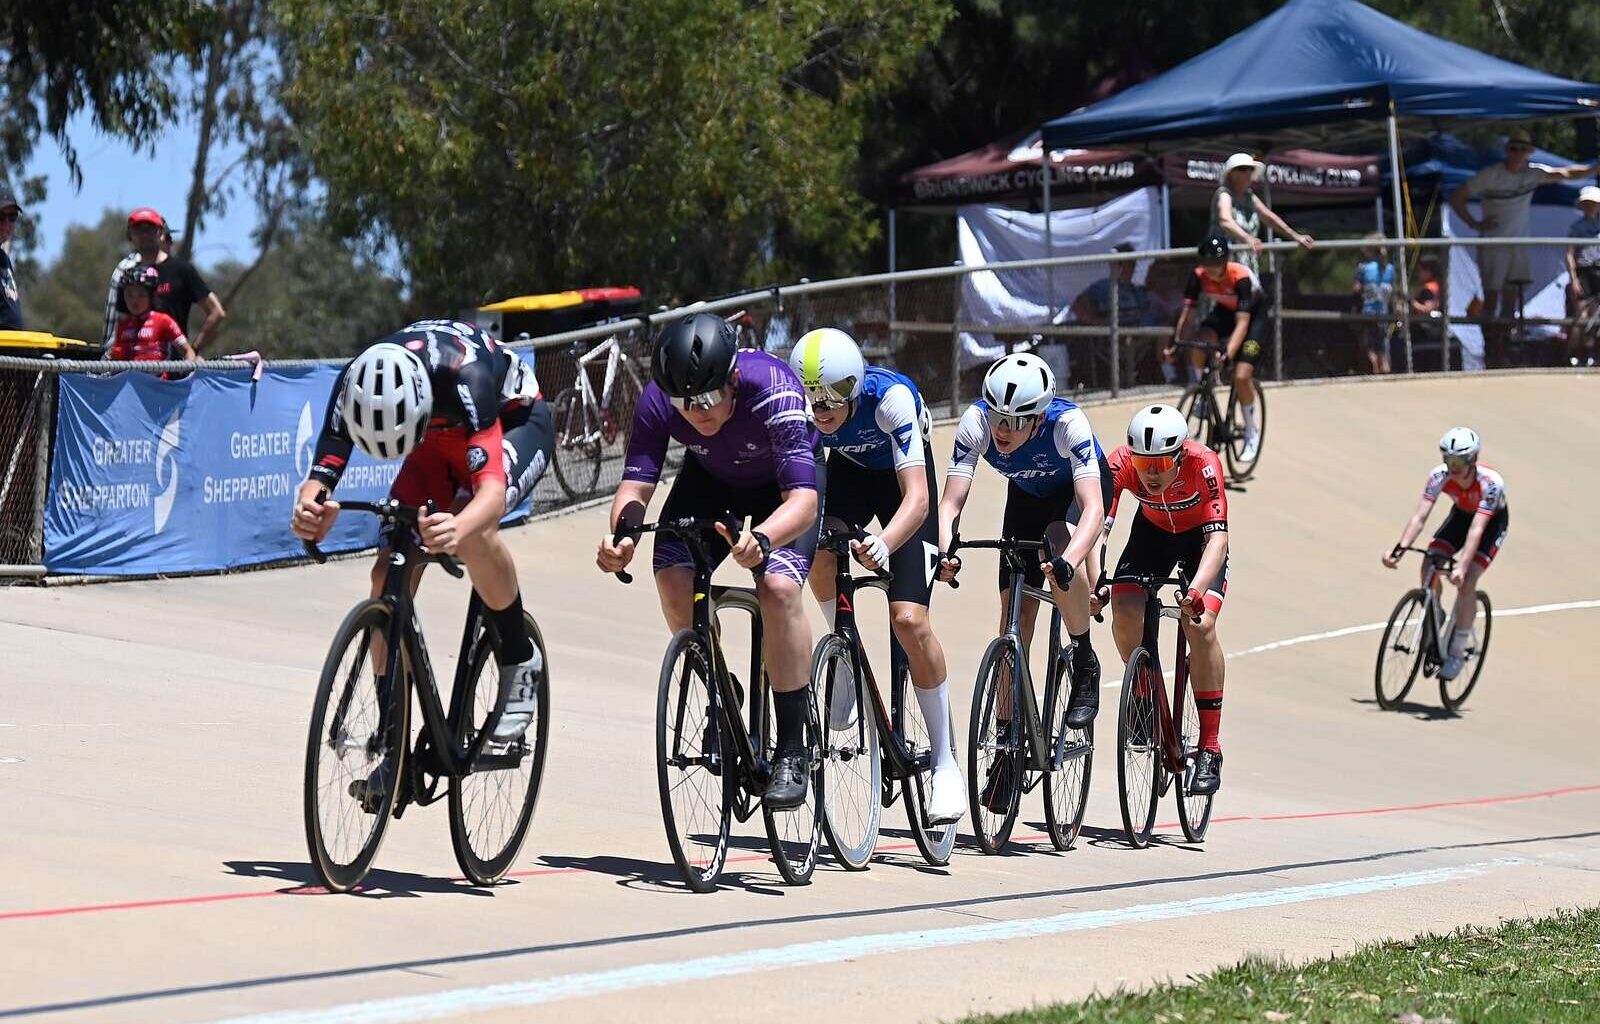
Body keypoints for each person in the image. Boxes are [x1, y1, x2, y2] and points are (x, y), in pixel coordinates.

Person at [596, 312, 822, 810]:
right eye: (683, 401)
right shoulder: (661, 397)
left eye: (705, 398)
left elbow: (803, 501)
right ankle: (722, 689)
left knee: (779, 589)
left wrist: (762, 539)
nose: (694, 410)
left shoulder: (774, 390)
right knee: (673, 577)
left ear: (733, 379)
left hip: (782, 492)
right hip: (711, 483)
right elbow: (636, 484)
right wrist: (623, 537)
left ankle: (791, 748)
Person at [291, 319, 552, 745]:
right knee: (385, 572)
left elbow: (490, 491)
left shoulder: (466, 375)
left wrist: (457, 526)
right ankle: (394, 742)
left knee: (472, 532)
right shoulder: (354, 382)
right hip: (434, 444)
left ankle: (520, 660)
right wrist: (310, 512)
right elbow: (319, 479)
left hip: (512, 424)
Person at [786, 327, 964, 825]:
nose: (822, 410)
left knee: (908, 620)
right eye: (812, 398)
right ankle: (841, 652)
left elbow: (919, 499)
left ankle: (945, 762)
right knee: (819, 546)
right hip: (850, 477)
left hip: (902, 485)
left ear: (856, 385)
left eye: (834, 397)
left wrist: (885, 544)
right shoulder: (806, 412)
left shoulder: (891, 400)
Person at [936, 352, 1109, 813]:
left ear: (1039, 418)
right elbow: (951, 501)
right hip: (1027, 498)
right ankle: (1007, 751)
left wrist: (1071, 559)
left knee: (1057, 542)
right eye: (998, 416)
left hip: (1075, 496)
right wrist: (945, 550)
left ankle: (1085, 657)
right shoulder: (976, 422)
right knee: (1013, 622)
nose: (1002, 429)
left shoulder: (1068, 425)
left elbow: (1092, 508)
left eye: (1016, 421)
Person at [1090, 405, 1230, 795]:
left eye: (1162, 462)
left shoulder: (1205, 464)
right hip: (1151, 535)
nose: (1150, 473)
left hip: (1199, 543)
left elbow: (1218, 540)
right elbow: (1098, 527)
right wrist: (1096, 579)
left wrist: (1197, 590)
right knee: (1124, 603)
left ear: (1181, 455)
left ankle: (1209, 748)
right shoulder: (1119, 464)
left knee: (1199, 625)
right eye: (1142, 461)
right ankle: (1141, 693)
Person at [1449, 130, 1595, 366]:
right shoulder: (1491, 175)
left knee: (1510, 298)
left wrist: (1592, 169)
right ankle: (1490, 347)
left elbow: (1566, 173)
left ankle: (1503, 346)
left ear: (1528, 152)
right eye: (1514, 148)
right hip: (1494, 245)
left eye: (1522, 149)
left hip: (1518, 245)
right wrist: (1473, 222)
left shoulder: (1532, 173)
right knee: (1492, 297)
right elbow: (1458, 196)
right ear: (1507, 151)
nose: (1518, 154)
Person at [1381, 428, 1508, 682]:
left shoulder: (1490, 483)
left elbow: (1477, 530)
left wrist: (1461, 566)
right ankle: (1435, 611)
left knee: (1468, 581)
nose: (1453, 467)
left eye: (1458, 461)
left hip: (1490, 524)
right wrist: (1399, 549)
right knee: (1429, 563)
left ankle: (1458, 650)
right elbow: (1420, 517)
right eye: (1448, 460)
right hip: (1461, 517)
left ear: (1472, 460)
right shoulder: (1438, 476)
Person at [1170, 234, 1267, 461]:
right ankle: (1202, 390)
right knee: (1198, 342)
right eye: (1207, 263)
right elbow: (1188, 315)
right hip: (1224, 313)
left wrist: (1228, 353)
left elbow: (1243, 323)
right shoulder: (1198, 276)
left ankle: (1251, 431)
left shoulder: (1241, 277)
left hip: (1253, 319)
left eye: (1217, 263)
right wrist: (1176, 342)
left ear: (1226, 260)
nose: (1211, 269)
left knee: (1242, 376)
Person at [110, 208, 228, 352]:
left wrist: (193, 350)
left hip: (174, 369)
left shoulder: (181, 270)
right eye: (138, 230)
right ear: (130, 236)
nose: (144, 234)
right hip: (136, 366)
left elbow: (217, 312)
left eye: (150, 229)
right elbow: (123, 323)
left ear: (161, 234)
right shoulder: (128, 276)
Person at [1209, 153, 1314, 276]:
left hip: (1246, 261)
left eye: (1251, 169)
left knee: (1250, 293)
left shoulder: (1249, 197)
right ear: (1231, 174)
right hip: (1223, 262)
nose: (1248, 173)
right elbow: (1225, 220)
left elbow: (1269, 218)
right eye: (1243, 169)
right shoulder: (1224, 194)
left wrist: (1296, 236)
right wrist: (1248, 239)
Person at [109, 265, 198, 364]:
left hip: (157, 379)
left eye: (141, 294)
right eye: (129, 294)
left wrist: (189, 367)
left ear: (151, 296)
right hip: (127, 378)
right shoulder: (123, 325)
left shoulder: (163, 321)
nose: (134, 300)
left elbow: (187, 351)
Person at [1071, 244, 1152, 327]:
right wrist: (1097, 323)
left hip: (1134, 334)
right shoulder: (1102, 288)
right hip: (1110, 335)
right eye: (1120, 263)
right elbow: (1077, 307)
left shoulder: (1139, 292)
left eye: (1130, 263)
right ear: (1112, 265)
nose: (1125, 268)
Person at [1564, 184, 1600, 368]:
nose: (1591, 207)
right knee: (1582, 314)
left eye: (1593, 203)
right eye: (1587, 203)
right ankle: (1573, 352)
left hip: (1598, 272)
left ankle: (1590, 353)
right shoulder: (1576, 227)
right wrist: (1574, 279)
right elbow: (1569, 253)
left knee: (1595, 316)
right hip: (1583, 272)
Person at [1352, 234, 1397, 374]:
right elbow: (1392, 289)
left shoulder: (1364, 268)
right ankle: (1384, 368)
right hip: (1384, 312)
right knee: (1382, 345)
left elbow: (1356, 289)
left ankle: (1374, 370)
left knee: (1369, 346)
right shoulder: (1389, 268)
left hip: (1368, 312)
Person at [0, 184, 24, 329]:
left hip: (14, 348)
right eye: (1, 216)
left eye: (12, 217)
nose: (6, 223)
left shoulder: (4, 259)